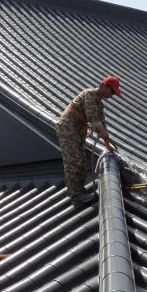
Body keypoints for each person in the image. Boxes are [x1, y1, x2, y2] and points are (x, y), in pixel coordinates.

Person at [56, 76, 121, 206]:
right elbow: (93, 118)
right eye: (112, 91)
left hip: (77, 131)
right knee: (74, 161)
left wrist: (108, 143)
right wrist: (102, 133)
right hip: (68, 128)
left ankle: (79, 191)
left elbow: (102, 123)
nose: (112, 95)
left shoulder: (99, 103)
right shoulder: (90, 94)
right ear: (104, 86)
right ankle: (76, 195)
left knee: (81, 161)